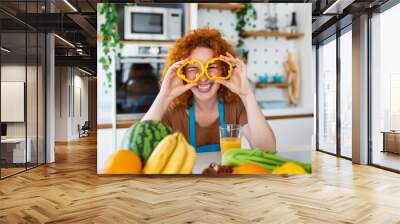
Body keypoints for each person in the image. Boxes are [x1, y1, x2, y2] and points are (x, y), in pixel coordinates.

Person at [142, 27, 276, 152]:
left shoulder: (236, 105)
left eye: (211, 67)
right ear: (182, 73)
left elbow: (267, 150)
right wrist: (164, 96)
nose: (204, 77)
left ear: (224, 69)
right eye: (193, 69)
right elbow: (139, 149)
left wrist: (247, 95)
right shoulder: (171, 110)